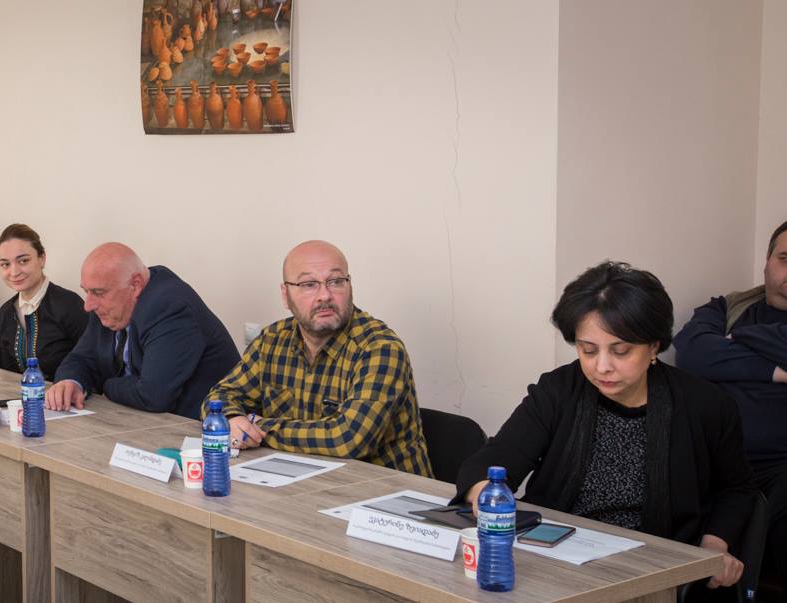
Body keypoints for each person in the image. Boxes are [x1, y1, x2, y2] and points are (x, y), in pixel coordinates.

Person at [456, 261, 754, 597]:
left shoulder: (705, 404)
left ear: (654, 346)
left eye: (620, 351)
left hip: (652, 570)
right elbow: (491, 462)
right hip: (555, 557)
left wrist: (713, 547)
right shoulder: (558, 391)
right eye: (588, 350)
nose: (602, 367)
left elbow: (736, 489)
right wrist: (486, 496)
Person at [204, 241, 432, 475]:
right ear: (285, 295)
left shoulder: (380, 348)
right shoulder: (272, 340)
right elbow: (219, 397)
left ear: (350, 286)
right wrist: (232, 419)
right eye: (309, 284)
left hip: (384, 490)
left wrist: (258, 426)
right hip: (306, 481)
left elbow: (348, 439)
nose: (325, 295)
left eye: (336, 282)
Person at [675, 219, 787, 590]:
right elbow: (693, 353)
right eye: (785, 259)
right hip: (715, 457)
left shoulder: (731, 325)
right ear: (766, 262)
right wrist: (776, 370)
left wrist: (738, 340)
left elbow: (712, 353)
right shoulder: (730, 308)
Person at [46, 242, 238, 419]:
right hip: (145, 422)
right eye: (86, 291)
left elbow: (153, 395)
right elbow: (81, 358)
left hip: (202, 430)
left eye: (98, 292)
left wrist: (107, 384)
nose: (88, 305)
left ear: (135, 284)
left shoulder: (169, 307)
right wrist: (71, 382)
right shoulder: (108, 305)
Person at [0, 224, 87, 380]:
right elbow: (10, 376)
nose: (14, 272)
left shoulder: (70, 305)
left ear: (42, 259)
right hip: (22, 395)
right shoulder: (5, 314)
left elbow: (92, 364)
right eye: (5, 264)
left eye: (23, 261)